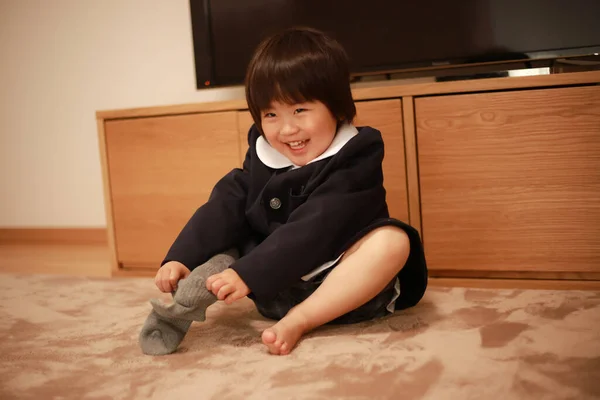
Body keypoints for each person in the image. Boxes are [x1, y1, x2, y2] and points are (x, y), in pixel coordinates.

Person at [139, 26, 428, 356]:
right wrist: (182, 256)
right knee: (234, 228)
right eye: (271, 114)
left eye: (300, 110)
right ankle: (192, 295)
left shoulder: (356, 157)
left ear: (336, 107)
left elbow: (317, 227)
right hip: (275, 289)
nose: (288, 129)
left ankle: (300, 320)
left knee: (393, 241)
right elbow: (225, 204)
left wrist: (249, 272)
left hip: (345, 290)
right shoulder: (262, 155)